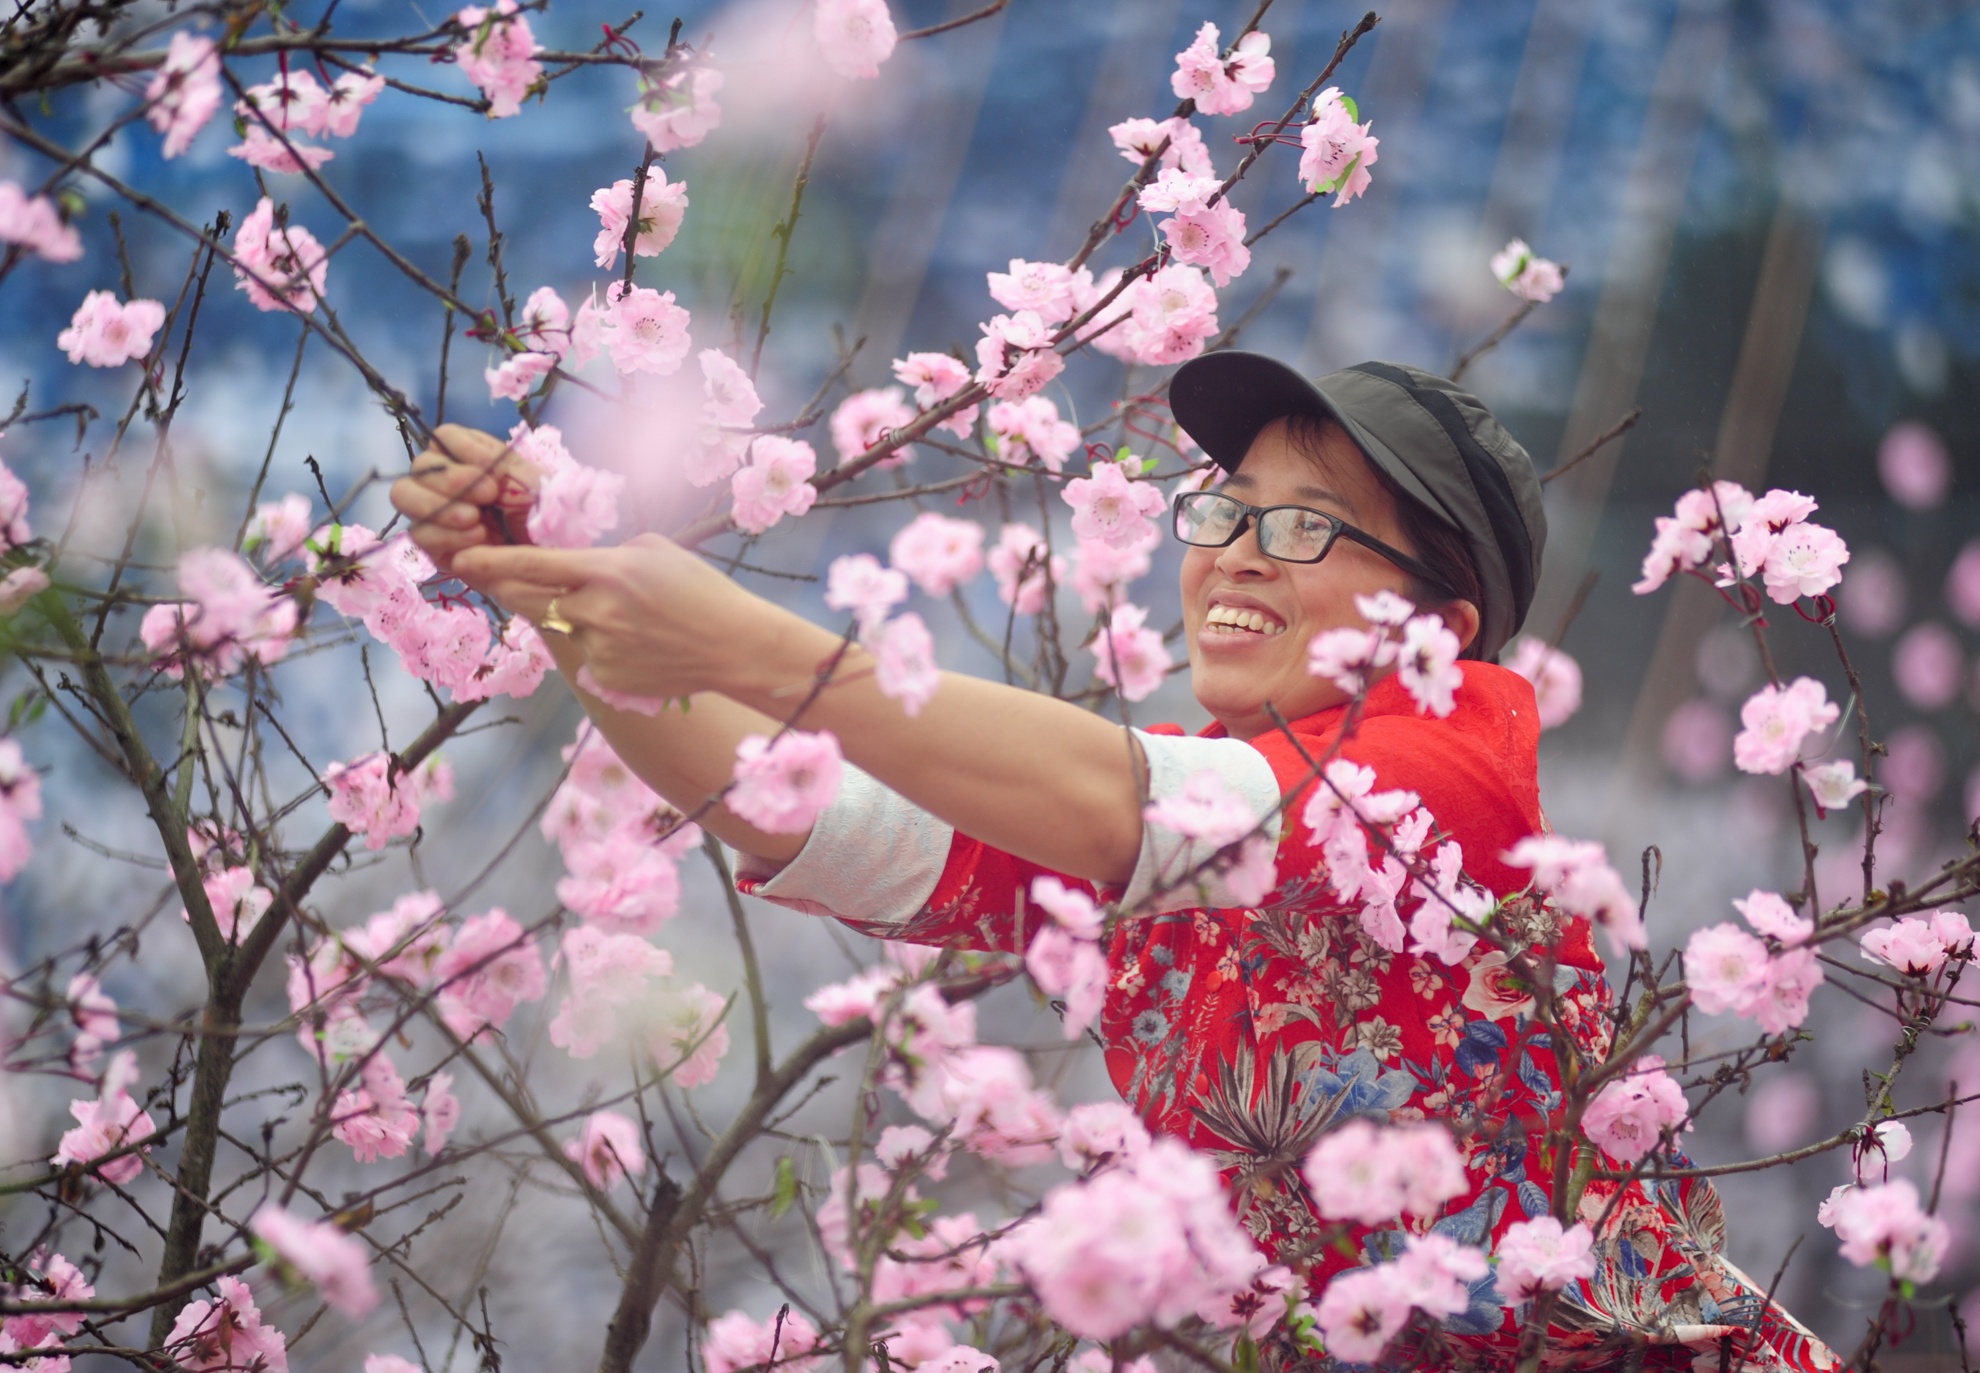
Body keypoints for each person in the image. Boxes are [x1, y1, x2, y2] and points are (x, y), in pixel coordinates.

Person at [392, 352, 1836, 1370]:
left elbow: (1131, 801)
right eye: (1226, 511)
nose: (1235, 556)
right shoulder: (1148, 812)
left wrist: (731, 634)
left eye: (1306, 525)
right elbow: (803, 812)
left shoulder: (1447, 755)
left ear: (1438, 625)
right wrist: (555, 591)